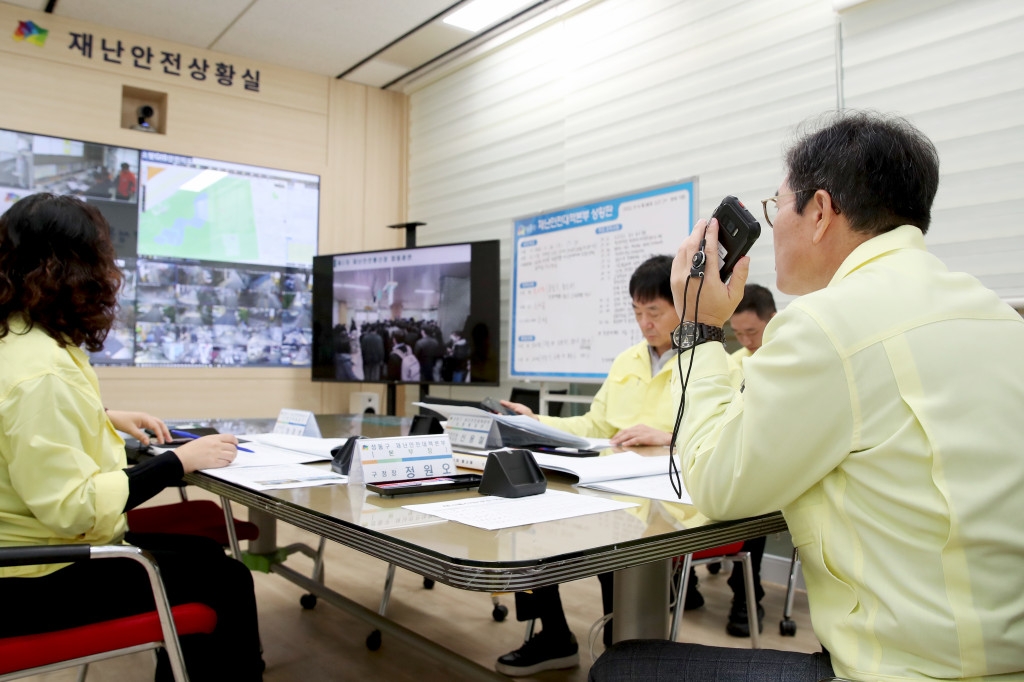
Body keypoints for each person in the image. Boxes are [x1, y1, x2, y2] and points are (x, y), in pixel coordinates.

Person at [590, 111, 1024, 681]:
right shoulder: (994, 313)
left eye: (777, 208)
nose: (773, 229)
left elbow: (717, 484)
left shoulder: (825, 323)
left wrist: (697, 328)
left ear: (819, 212)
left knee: (622, 669)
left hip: (906, 670)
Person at [0, 193, 264, 681]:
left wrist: (102, 416)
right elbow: (73, 507)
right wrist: (177, 464)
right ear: (76, 271)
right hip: (33, 579)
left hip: (21, 562)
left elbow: (22, 427)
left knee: (205, 557)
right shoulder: (42, 372)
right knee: (225, 579)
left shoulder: (15, 340)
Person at [495, 255, 701, 676]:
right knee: (532, 525)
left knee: (615, 550)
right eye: (637, 312)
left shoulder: (704, 360)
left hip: (668, 497)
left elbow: (724, 431)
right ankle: (555, 636)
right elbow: (594, 425)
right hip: (610, 486)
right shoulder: (627, 360)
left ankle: (622, 650)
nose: (645, 323)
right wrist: (537, 423)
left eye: (654, 312)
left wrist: (671, 437)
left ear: (681, 305)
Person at [715, 283, 778, 638]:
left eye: (752, 332)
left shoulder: (793, 357)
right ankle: (682, 584)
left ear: (773, 320)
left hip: (780, 463)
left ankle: (746, 596)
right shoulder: (735, 363)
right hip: (743, 455)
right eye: (737, 334)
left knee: (754, 499)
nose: (746, 341)